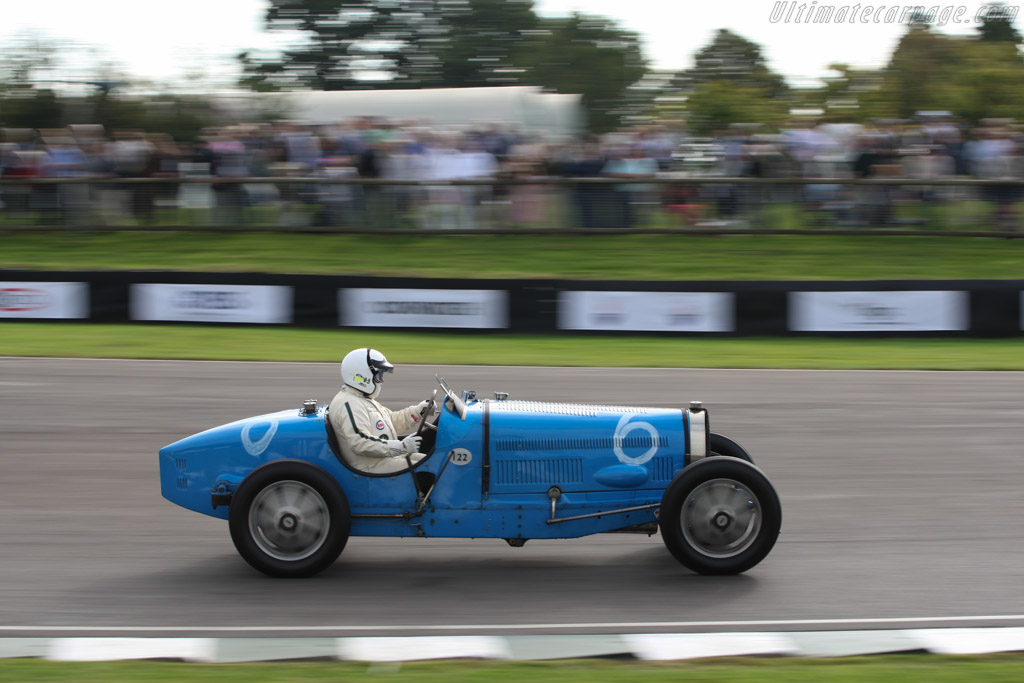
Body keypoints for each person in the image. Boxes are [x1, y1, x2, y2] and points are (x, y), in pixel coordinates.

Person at [328, 348, 433, 474]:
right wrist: (401, 447)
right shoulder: (349, 404)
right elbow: (360, 442)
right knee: (430, 471)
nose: (382, 380)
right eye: (379, 375)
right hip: (371, 467)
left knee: (434, 462)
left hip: (384, 459)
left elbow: (390, 422)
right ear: (362, 376)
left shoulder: (361, 398)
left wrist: (417, 412)